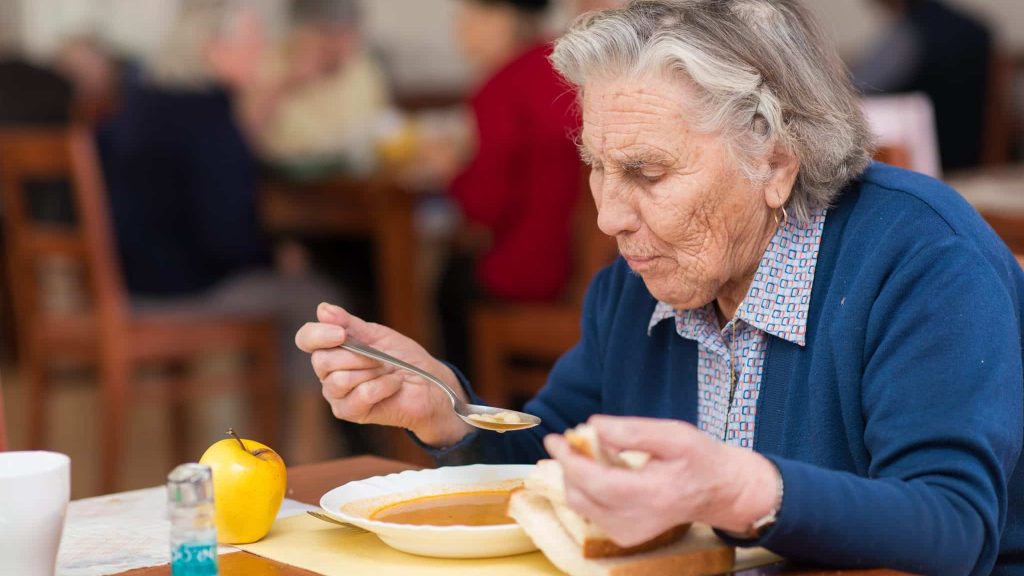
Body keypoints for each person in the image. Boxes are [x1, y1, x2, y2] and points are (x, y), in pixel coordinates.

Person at [296, 0, 1024, 573]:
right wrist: (448, 412)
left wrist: (738, 488)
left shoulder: (921, 260)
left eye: (646, 174)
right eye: (597, 166)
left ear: (775, 161)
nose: (610, 216)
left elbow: (953, 527)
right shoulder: (637, 288)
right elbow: (555, 456)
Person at [100, 0, 354, 461]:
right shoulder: (210, 115)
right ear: (211, 49)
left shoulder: (141, 104)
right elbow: (228, 240)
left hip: (132, 283)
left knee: (289, 285)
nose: (263, 50)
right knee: (317, 302)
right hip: (187, 290)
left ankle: (268, 448)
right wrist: (275, 256)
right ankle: (312, 458)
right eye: (252, 41)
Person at [429, 0, 581, 372]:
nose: (460, 30)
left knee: (449, 285)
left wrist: (450, 171)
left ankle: (473, 409)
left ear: (504, 20)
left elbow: (485, 207)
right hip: (588, 262)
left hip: (533, 267)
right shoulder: (567, 64)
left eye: (472, 17)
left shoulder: (501, 85)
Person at [250, 0, 392, 176]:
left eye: (347, 33)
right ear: (299, 31)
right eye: (326, 33)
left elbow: (382, 131)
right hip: (284, 186)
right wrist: (287, 82)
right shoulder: (264, 64)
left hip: (354, 185)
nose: (337, 45)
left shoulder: (364, 70)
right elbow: (244, 137)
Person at [853, 0, 993, 171]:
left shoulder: (909, 35)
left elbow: (857, 89)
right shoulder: (977, 29)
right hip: (971, 151)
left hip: (922, 161)